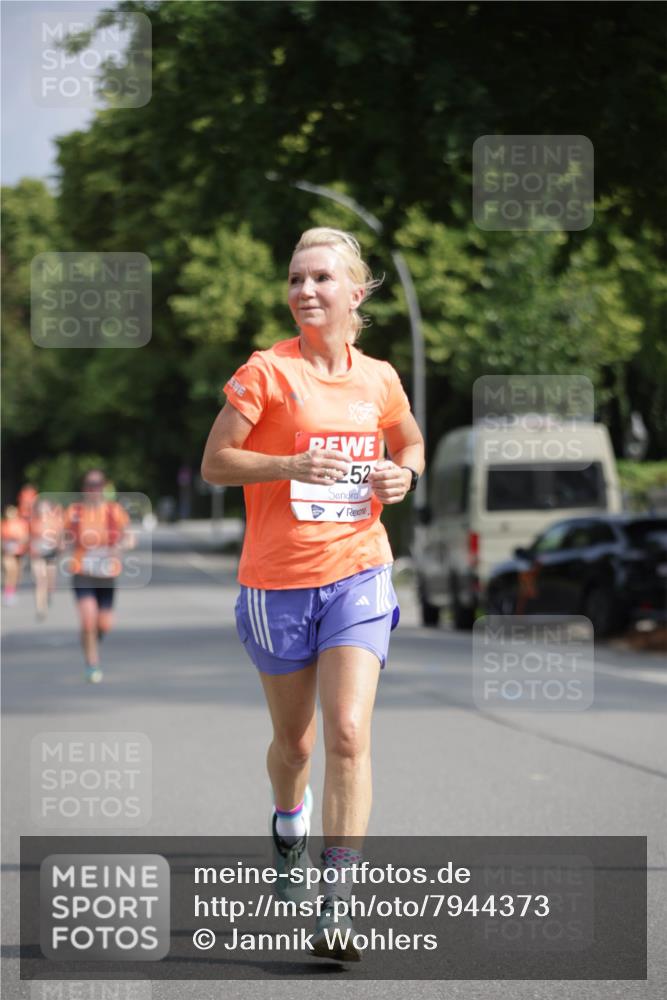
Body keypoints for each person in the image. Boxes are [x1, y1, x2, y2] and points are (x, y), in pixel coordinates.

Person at [201, 227, 424, 961]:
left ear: (355, 293)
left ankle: (339, 903)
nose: (304, 291)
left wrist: (404, 475)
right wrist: (290, 462)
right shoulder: (266, 372)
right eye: (295, 279)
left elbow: (409, 443)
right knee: (294, 746)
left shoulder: (380, 378)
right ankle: (287, 816)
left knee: (348, 735)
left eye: (320, 279)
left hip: (359, 570)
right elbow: (215, 463)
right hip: (277, 584)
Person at [63, 470, 132, 683]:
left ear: (104, 487)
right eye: (90, 484)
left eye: (98, 484)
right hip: (82, 572)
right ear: (84, 488)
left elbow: (128, 537)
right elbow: (63, 538)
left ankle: (93, 636)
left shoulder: (114, 511)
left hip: (107, 574)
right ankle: (92, 664)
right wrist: (60, 545)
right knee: (88, 620)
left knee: (103, 623)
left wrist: (121, 546)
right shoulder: (74, 511)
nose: (94, 489)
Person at [29, 497, 64, 621]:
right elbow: (27, 537)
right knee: (40, 581)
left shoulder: (55, 522)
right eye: (40, 508)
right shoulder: (33, 521)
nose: (42, 510)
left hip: (51, 553)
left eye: (45, 508)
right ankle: (40, 608)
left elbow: (60, 536)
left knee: (49, 579)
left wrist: (60, 544)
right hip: (37, 554)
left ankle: (49, 593)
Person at [2, 505, 29, 606]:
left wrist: (20, 540)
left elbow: (25, 537)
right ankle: (8, 594)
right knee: (10, 571)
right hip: (8, 552)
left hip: (19, 552)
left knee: (17, 573)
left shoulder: (21, 524)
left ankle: (12, 591)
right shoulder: (4, 524)